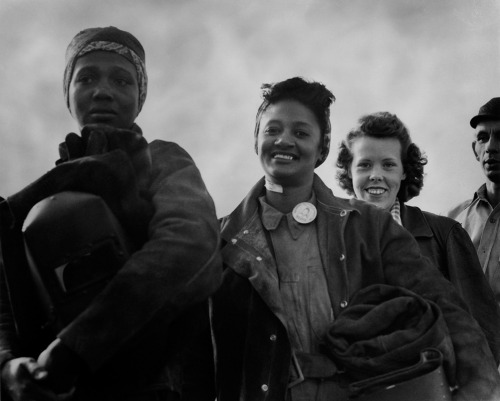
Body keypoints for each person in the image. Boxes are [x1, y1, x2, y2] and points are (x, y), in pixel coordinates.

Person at [207, 77, 500, 401]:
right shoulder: (218, 241)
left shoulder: (372, 228)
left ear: (323, 145)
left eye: (301, 132)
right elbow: (194, 362)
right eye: (273, 129)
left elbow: (462, 328)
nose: (284, 141)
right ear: (256, 139)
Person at [0, 26, 222, 401]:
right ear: (68, 94)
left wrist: (77, 346)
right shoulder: (26, 208)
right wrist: (9, 367)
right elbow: (4, 299)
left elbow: (189, 246)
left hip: (158, 388)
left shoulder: (163, 161)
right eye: (85, 77)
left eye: (122, 80)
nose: (103, 91)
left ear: (140, 97)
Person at [336, 111, 500, 363]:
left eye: (389, 164)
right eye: (364, 164)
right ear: (349, 171)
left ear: (403, 171)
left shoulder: (445, 234)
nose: (376, 175)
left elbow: (482, 332)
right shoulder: (325, 235)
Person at [448, 98, 500, 308]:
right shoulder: (453, 219)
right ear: (474, 150)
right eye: (482, 138)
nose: (491, 147)